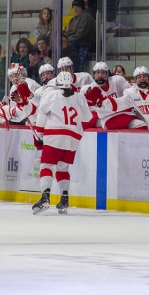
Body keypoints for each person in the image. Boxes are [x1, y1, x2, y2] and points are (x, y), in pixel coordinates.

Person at [32, 71, 93, 215]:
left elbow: (41, 113)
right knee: (62, 167)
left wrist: (39, 132)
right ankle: (64, 200)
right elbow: (87, 118)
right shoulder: (79, 97)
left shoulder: (51, 94)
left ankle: (45, 197)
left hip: (55, 135)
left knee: (46, 165)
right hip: (73, 138)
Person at [81, 61, 147, 130]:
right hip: (107, 118)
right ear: (94, 75)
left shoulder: (117, 80)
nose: (100, 75)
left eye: (103, 72)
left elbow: (132, 92)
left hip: (125, 114)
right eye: (97, 73)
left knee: (142, 125)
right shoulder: (91, 89)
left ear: (107, 74)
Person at [64, 0, 96, 72]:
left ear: (82, 8)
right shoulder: (73, 19)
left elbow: (80, 35)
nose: (75, 10)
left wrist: (67, 39)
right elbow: (68, 32)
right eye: (74, 8)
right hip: (75, 42)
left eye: (77, 8)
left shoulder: (86, 17)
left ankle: (78, 70)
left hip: (86, 44)